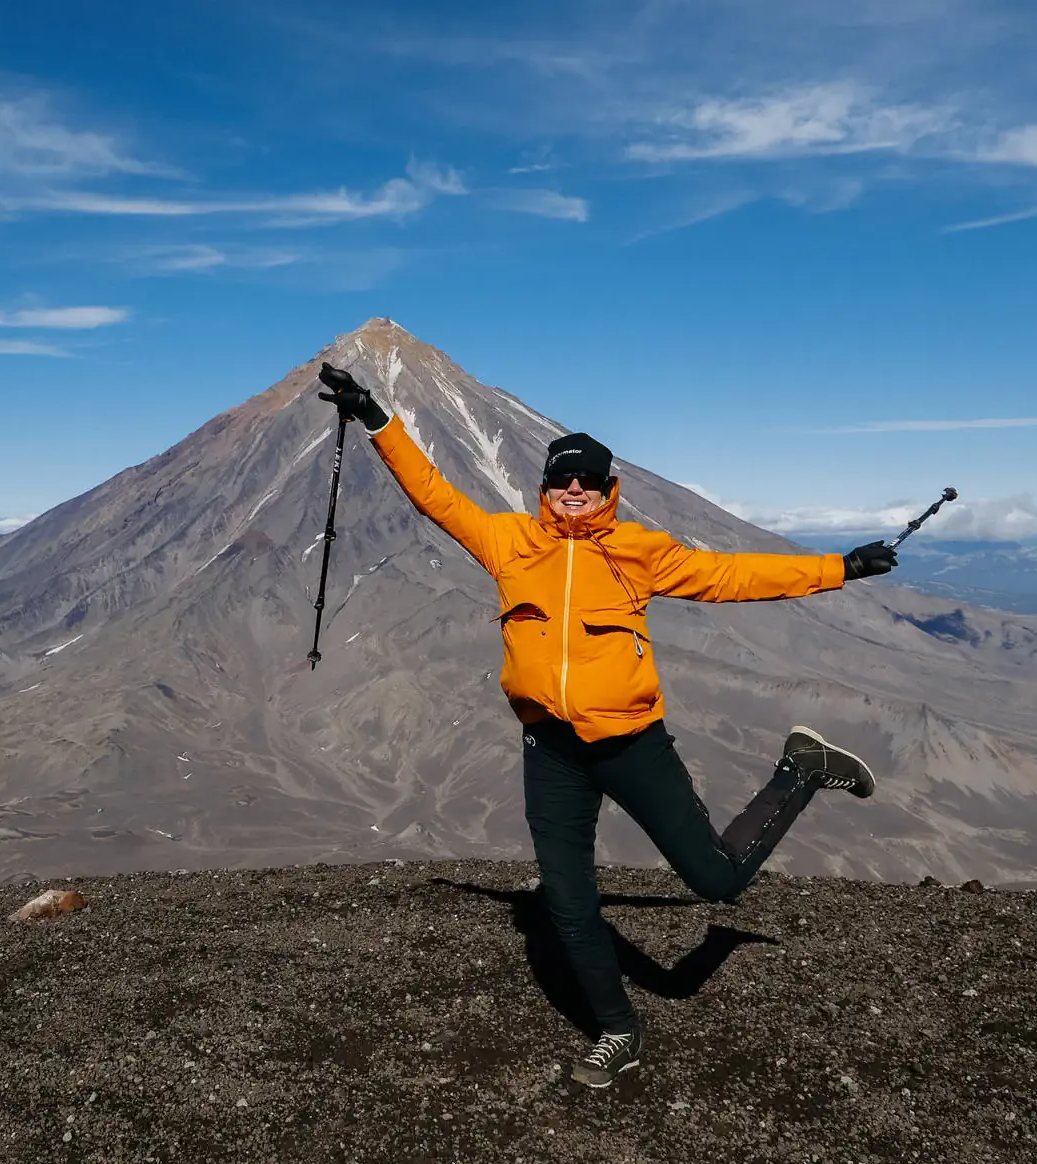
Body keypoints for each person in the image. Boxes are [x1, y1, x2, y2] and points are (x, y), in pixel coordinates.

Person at [317, 362, 898, 1089]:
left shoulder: (637, 553)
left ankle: (802, 769)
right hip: (550, 752)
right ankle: (618, 1029)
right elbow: (433, 495)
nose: (574, 491)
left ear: (607, 490)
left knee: (715, 881)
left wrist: (836, 568)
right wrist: (375, 416)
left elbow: (730, 576)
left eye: (588, 481)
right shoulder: (508, 543)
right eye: (563, 480)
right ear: (545, 487)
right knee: (566, 901)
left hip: (632, 746)